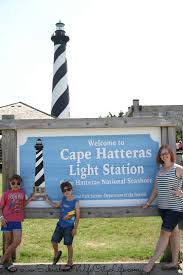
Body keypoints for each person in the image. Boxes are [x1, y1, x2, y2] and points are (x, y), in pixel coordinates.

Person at [141, 144, 183, 274]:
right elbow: (156, 189)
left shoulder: (178, 168)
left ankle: (151, 263)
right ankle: (175, 262)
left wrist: (181, 192)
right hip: (163, 208)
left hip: (175, 208)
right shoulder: (160, 170)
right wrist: (148, 203)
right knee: (174, 233)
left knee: (164, 234)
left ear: (171, 154)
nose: (164, 155)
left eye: (166, 153)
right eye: (162, 154)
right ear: (160, 157)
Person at [0, 174, 35, 272]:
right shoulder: (6, 194)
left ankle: (2, 260)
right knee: (8, 241)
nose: (16, 185)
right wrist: (1, 218)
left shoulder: (22, 193)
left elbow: (23, 204)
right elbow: (0, 207)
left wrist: (31, 199)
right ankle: (9, 264)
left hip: (17, 220)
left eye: (18, 183)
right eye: (13, 183)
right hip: (6, 219)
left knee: (17, 240)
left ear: (20, 184)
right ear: (10, 183)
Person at [44, 181, 80, 271]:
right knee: (54, 241)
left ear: (72, 189)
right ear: (62, 192)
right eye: (64, 191)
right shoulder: (63, 199)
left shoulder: (76, 202)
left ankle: (70, 262)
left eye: (68, 189)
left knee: (69, 244)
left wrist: (75, 228)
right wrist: (47, 200)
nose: (67, 191)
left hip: (69, 227)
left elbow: (78, 215)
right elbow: (56, 205)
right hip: (60, 225)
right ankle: (57, 253)